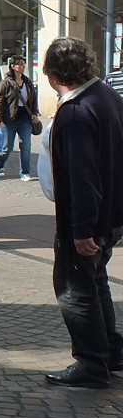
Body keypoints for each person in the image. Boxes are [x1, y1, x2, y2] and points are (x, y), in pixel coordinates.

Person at [41, 37, 123, 388]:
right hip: (113, 215)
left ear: (54, 74)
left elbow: (82, 176)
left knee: (74, 288)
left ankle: (91, 363)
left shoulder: (76, 111)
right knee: (95, 281)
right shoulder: (107, 96)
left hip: (92, 219)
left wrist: (81, 229)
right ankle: (111, 352)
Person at [0, 55, 39, 181]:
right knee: (7, 148)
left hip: (25, 117)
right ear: (13, 66)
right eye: (20, 64)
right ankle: (0, 164)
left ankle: (25, 172)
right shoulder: (5, 83)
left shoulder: (28, 82)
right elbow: (0, 102)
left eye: (24, 64)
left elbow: (33, 99)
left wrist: (34, 113)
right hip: (9, 119)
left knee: (26, 146)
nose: (22, 67)